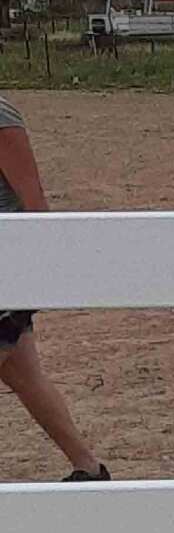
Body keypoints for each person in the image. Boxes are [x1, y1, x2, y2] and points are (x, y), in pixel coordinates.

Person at [0, 94, 109, 480]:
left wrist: (37, 274)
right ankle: (88, 467)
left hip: (7, 269)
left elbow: (35, 204)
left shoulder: (1, 116)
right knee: (25, 376)